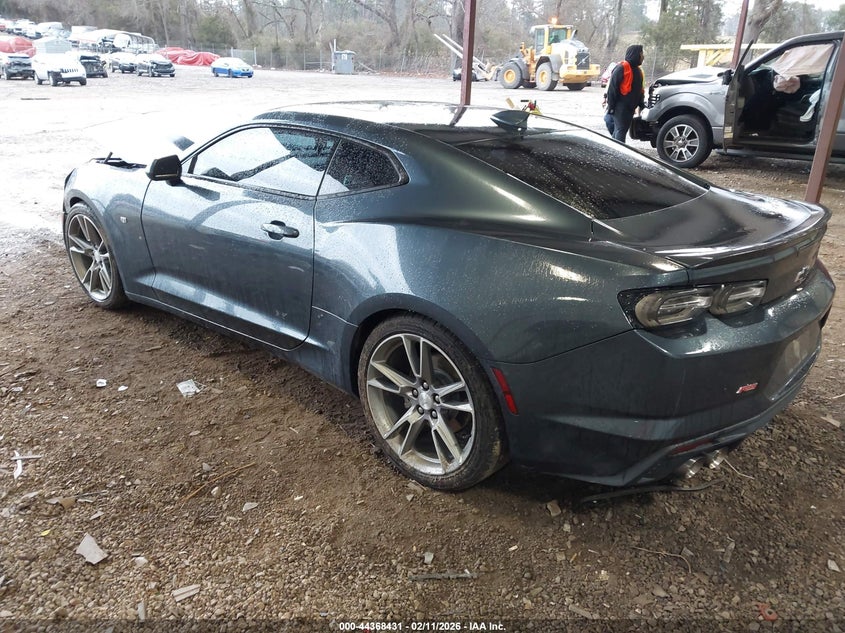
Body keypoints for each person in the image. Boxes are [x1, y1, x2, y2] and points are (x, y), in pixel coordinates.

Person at [605, 44, 646, 143]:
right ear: (635, 54)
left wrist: (642, 104)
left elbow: (640, 90)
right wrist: (611, 107)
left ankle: (614, 151)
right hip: (620, 107)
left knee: (620, 130)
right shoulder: (621, 68)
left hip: (630, 108)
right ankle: (618, 154)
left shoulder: (638, 71)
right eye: (641, 54)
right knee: (621, 130)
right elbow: (612, 89)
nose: (643, 57)